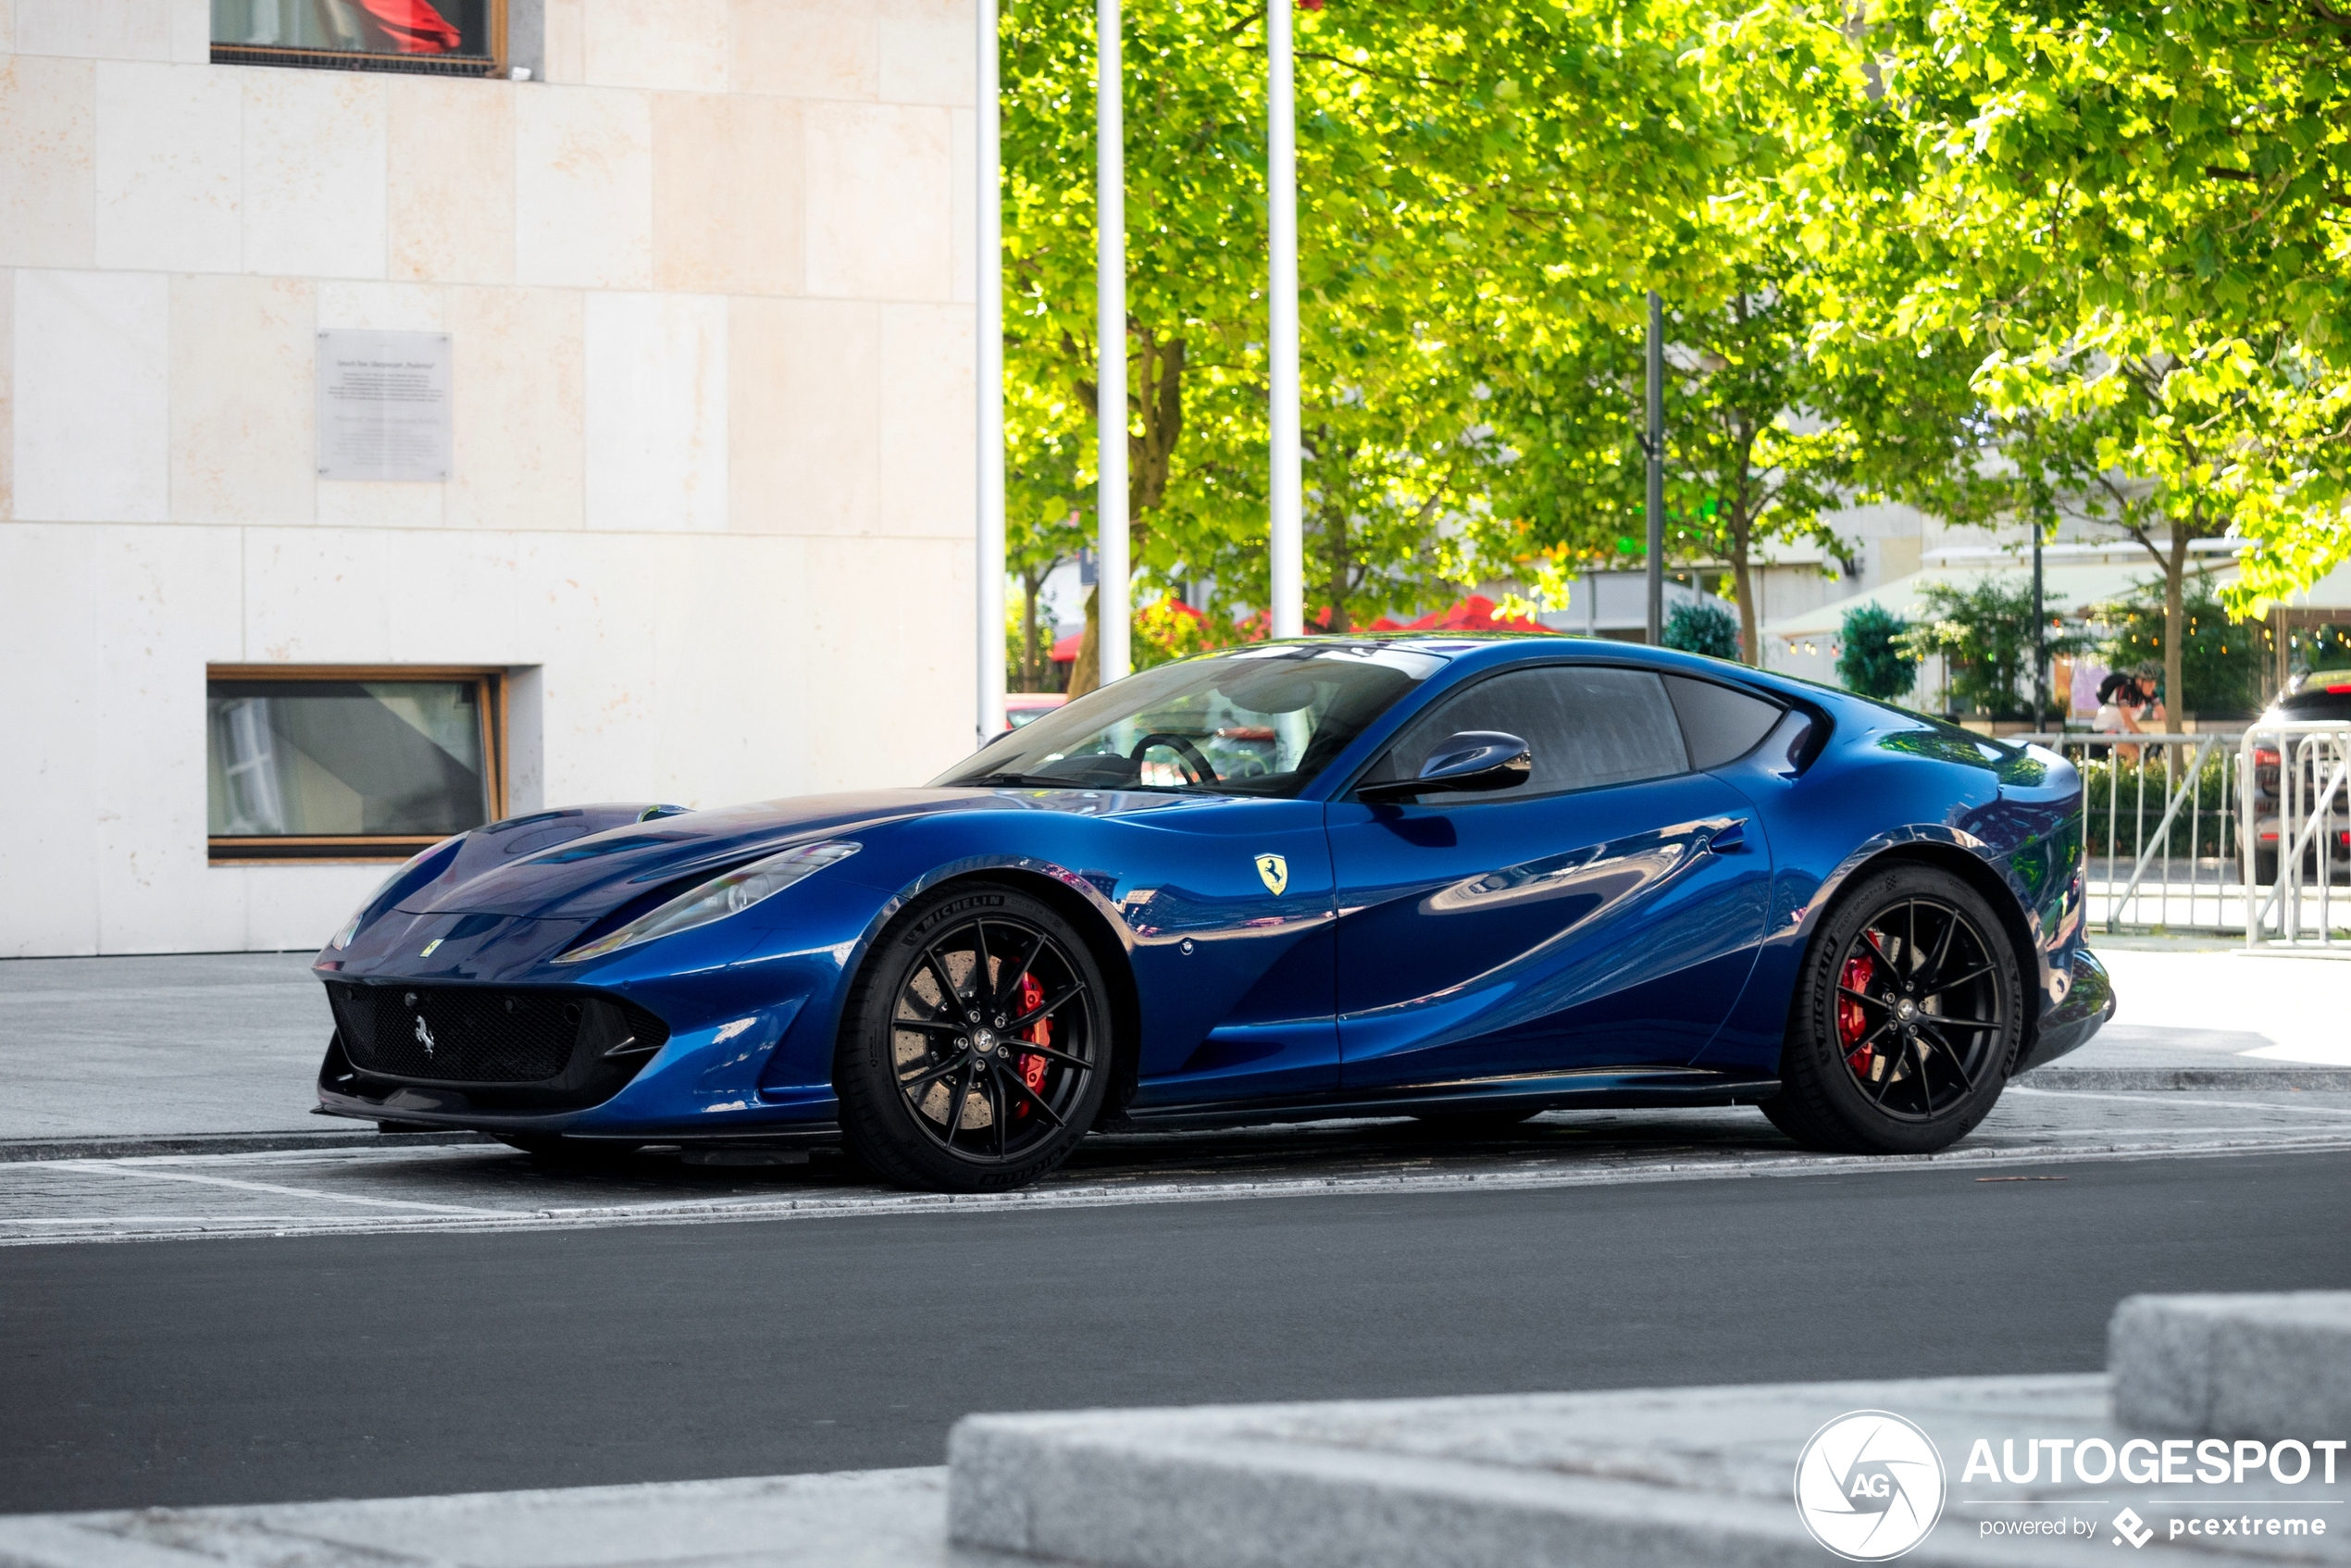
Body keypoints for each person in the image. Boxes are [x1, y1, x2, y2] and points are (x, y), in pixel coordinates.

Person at [2095, 670, 2167, 764]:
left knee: (2141, 756)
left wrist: (2178, 733)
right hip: (2104, 729)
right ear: (2139, 681)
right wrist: (2145, 740)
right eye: (2149, 685)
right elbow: (2127, 721)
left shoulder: (2149, 693)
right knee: (2137, 755)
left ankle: (2130, 775)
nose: (2152, 688)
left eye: (2154, 685)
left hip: (2123, 731)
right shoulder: (2125, 689)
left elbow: (2164, 716)